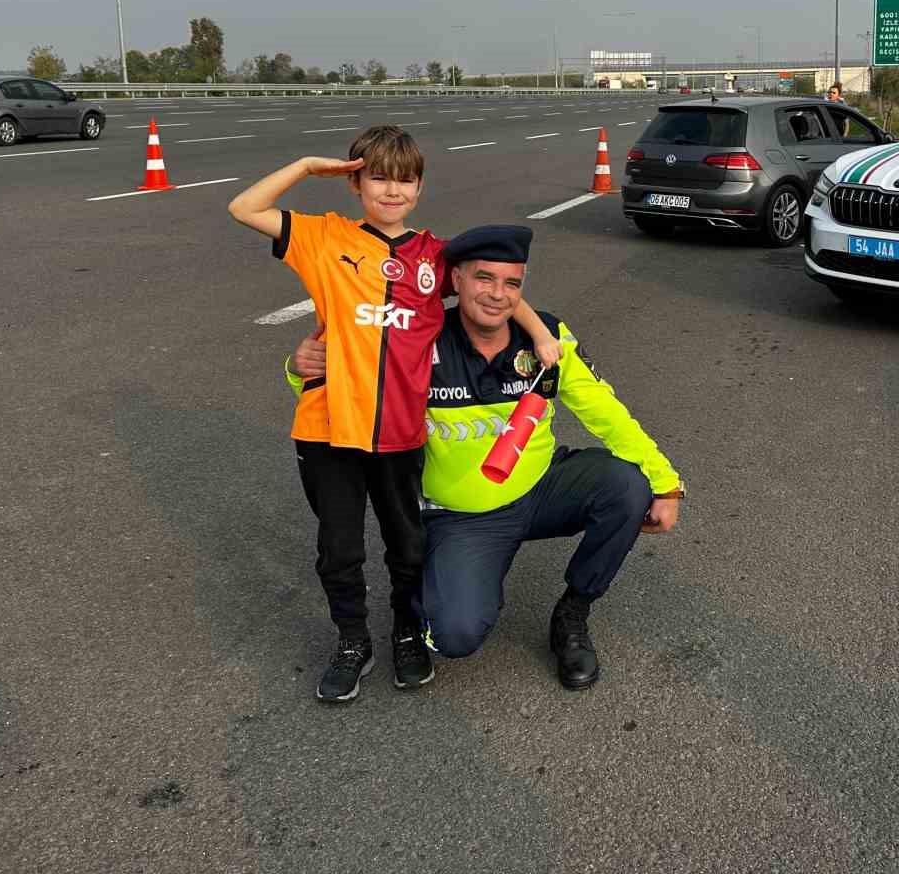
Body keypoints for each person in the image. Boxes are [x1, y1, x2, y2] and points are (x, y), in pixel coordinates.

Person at [228, 127, 559, 703]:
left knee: (407, 545)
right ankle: (353, 641)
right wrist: (308, 165)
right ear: (354, 181)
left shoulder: (437, 254)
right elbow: (244, 207)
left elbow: (498, 285)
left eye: (404, 179)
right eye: (378, 176)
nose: (392, 190)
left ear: (420, 187)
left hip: (404, 431)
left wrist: (536, 333)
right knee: (340, 549)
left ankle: (407, 629)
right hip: (328, 427)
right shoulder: (323, 237)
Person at [287, 225, 684, 691]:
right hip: (463, 518)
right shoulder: (418, 339)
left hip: (539, 487)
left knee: (629, 486)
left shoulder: (547, 340)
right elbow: (351, 384)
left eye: (511, 284)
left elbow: (606, 412)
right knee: (454, 635)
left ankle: (573, 614)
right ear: (455, 280)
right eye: (484, 279)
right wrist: (298, 369)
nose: (497, 295)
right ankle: (451, 587)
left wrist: (667, 483)